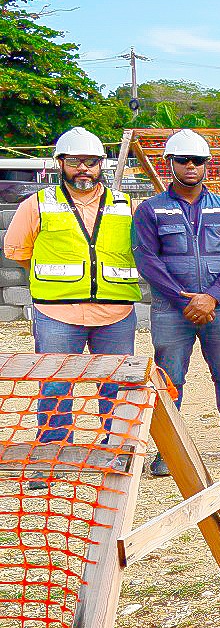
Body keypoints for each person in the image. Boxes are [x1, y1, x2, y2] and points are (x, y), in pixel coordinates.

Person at [5, 127, 140, 452]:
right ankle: (53, 452)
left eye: (91, 162)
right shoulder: (37, 203)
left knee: (116, 385)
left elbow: (141, 250)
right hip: (57, 313)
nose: (83, 168)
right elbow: (17, 250)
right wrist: (58, 283)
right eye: (75, 161)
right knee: (55, 385)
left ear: (101, 165)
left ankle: (117, 450)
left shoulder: (125, 204)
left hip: (116, 312)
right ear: (60, 163)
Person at [132, 129, 220, 468]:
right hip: (172, 311)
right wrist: (182, 299)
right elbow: (147, 259)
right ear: (169, 163)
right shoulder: (150, 210)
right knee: (170, 379)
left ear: (207, 166)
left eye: (198, 161)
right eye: (183, 160)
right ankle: (168, 449)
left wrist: (212, 297)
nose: (191, 166)